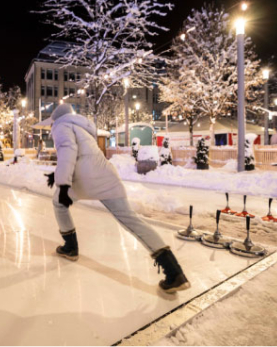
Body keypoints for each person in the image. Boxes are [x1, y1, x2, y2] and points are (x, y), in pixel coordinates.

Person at [45, 104, 190, 293]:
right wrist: (56, 175)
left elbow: (68, 153)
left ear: (56, 119)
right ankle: (174, 271)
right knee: (131, 219)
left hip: (83, 180)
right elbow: (82, 156)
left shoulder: (61, 126)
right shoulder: (81, 127)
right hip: (107, 176)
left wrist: (63, 185)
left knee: (59, 203)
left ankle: (70, 247)